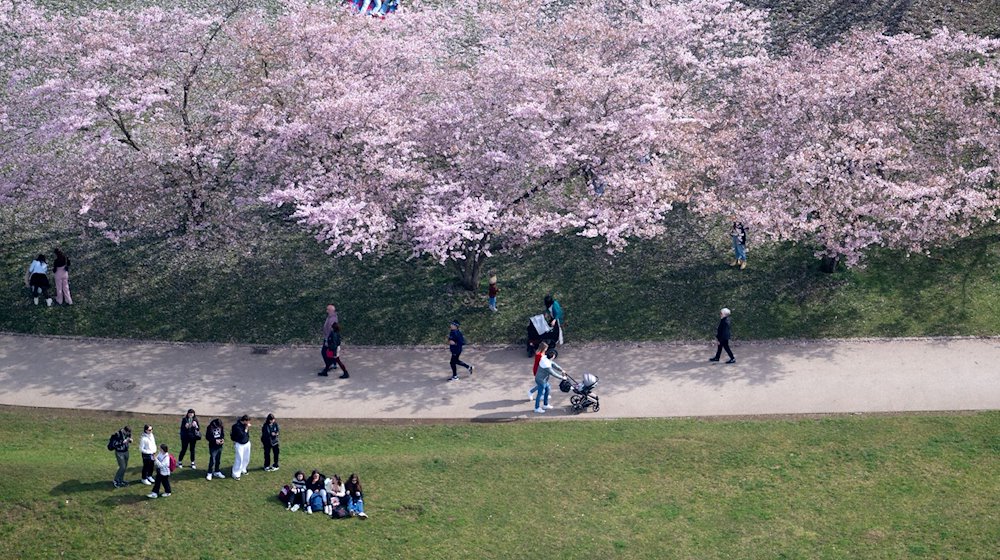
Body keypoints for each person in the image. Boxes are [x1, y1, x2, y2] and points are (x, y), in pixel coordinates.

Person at [534, 348, 567, 414]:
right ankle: (536, 408)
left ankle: (545, 405)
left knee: (547, 389)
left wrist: (561, 370)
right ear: (552, 356)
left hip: (544, 380)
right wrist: (562, 378)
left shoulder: (546, 358)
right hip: (541, 380)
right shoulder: (546, 365)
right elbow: (553, 373)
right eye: (554, 356)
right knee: (539, 394)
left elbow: (553, 364)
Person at [231, 415, 251, 480]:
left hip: (246, 443)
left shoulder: (245, 425)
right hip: (239, 444)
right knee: (239, 459)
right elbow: (242, 435)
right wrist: (246, 428)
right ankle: (235, 473)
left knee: (246, 458)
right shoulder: (236, 426)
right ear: (244, 421)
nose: (248, 423)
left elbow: (246, 434)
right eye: (247, 421)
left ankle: (243, 469)